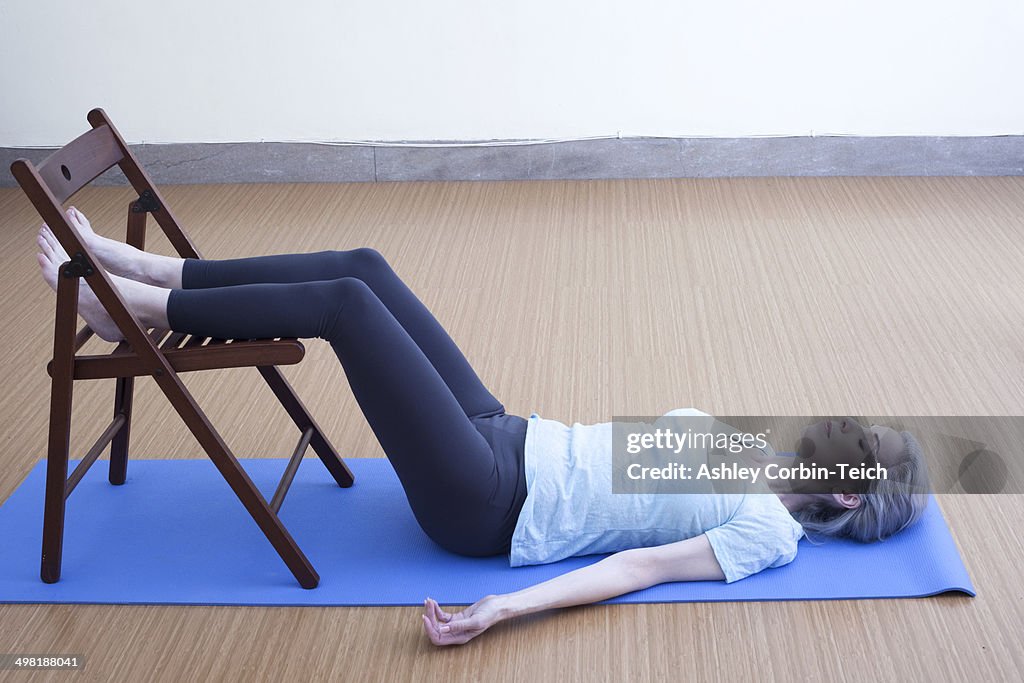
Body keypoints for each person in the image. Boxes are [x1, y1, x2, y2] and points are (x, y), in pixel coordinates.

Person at [35, 207, 930, 647]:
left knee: (345, 305)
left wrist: (504, 608)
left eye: (866, 441)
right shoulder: (758, 452)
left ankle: (134, 309)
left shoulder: (769, 532)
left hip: (489, 501)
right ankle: (158, 270)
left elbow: (636, 567)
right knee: (365, 265)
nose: (851, 422)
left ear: (851, 487)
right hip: (503, 432)